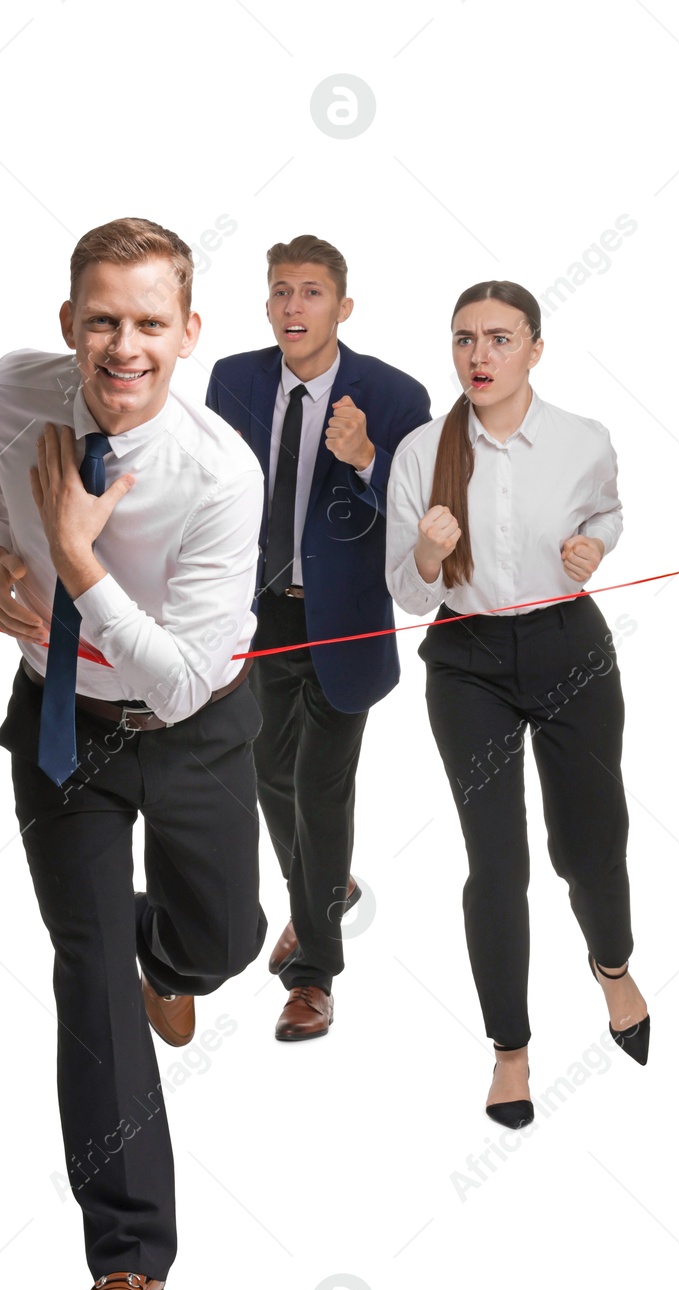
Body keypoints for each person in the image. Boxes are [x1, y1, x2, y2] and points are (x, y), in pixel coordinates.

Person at [0, 217, 266, 1290]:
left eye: (147, 322)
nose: (122, 346)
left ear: (187, 333)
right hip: (60, 728)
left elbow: (184, 681)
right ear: (67, 325)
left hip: (193, 730)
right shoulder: (11, 390)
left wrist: (77, 556)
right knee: (86, 970)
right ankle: (127, 1253)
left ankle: (173, 957)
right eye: (101, 320)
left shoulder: (220, 475)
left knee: (226, 937)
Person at [385, 280, 649, 1130]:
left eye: (500, 339)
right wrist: (426, 555)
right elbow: (409, 598)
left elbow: (609, 512)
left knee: (592, 839)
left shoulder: (582, 439)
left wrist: (592, 546)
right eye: (465, 339)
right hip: (467, 664)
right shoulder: (422, 453)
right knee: (497, 863)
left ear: (537, 348)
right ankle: (510, 1051)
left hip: (569, 644)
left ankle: (612, 966)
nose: (480, 356)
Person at [207, 235, 430, 1040]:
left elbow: (415, 528)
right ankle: (323, 887)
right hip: (257, 617)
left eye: (310, 292)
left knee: (322, 786)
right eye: (280, 292)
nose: (293, 307)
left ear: (343, 305)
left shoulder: (397, 397)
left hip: (344, 622)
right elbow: (214, 494)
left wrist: (367, 458)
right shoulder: (234, 379)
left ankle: (314, 974)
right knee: (269, 771)